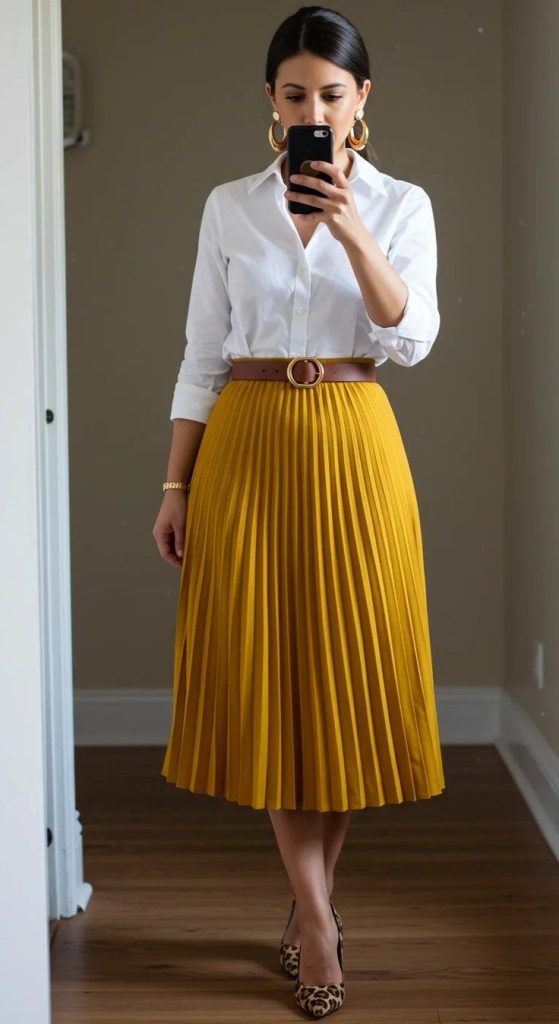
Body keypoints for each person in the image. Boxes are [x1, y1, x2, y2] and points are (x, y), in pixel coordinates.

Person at [152, 5, 446, 1018]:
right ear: (270, 104)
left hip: (355, 444)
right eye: (293, 95)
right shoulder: (228, 207)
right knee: (271, 678)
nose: (311, 111)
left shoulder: (402, 204)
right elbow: (201, 354)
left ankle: (307, 899)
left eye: (330, 94)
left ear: (361, 101)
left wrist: (353, 228)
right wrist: (175, 485)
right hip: (246, 445)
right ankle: (317, 920)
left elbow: (411, 337)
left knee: (342, 681)